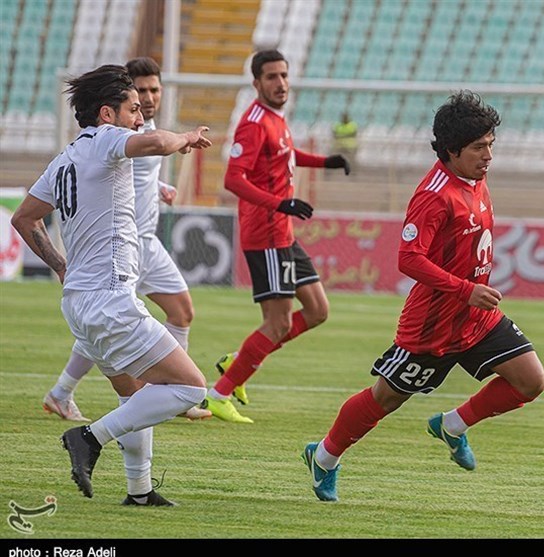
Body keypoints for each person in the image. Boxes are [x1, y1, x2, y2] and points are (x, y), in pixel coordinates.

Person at [300, 91, 544, 502]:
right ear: (452, 150)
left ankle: (452, 425)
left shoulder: (477, 179)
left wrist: (471, 292)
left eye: (490, 145)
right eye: (478, 147)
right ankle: (324, 457)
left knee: (530, 380)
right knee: (386, 398)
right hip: (432, 325)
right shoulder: (434, 195)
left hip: (475, 318)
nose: (488, 155)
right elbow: (408, 259)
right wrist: (466, 289)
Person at [11, 64, 212, 504]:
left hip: (80, 303)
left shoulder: (64, 159)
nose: (140, 118)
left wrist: (60, 265)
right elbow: (159, 141)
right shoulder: (106, 141)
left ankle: (139, 491)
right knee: (190, 387)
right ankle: (89, 437)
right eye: (133, 109)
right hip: (110, 299)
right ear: (107, 114)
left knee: (133, 395)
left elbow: (24, 219)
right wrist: (186, 139)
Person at [41, 57, 211, 423]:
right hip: (122, 245)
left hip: (136, 245)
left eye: (154, 90)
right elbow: (144, 154)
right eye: (139, 95)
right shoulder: (121, 138)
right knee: (113, 321)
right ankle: (167, 393)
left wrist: (162, 186)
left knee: (115, 323)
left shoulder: (104, 143)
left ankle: (65, 393)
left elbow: (135, 178)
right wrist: (183, 138)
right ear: (111, 108)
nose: (147, 100)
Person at [202, 49, 351, 423]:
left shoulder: (275, 118)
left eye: (283, 75)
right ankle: (218, 394)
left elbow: (284, 155)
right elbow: (233, 178)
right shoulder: (253, 122)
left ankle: (240, 360)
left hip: (282, 231)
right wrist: (279, 204)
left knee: (317, 310)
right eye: (271, 77)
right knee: (278, 323)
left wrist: (324, 162)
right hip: (266, 233)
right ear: (256, 83)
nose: (280, 83)